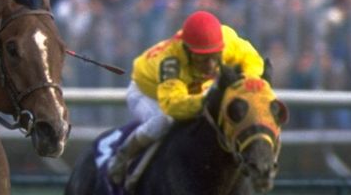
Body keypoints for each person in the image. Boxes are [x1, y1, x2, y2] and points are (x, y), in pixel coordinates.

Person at [108, 10, 266, 185]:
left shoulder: (227, 40)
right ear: (187, 51)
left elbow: (252, 59)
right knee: (163, 122)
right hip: (148, 93)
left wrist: (246, 81)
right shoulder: (171, 61)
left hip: (192, 89)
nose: (210, 66)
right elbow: (172, 105)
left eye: (214, 56)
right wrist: (206, 101)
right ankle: (123, 156)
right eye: (202, 59)